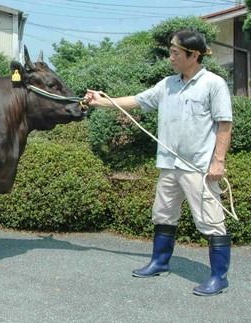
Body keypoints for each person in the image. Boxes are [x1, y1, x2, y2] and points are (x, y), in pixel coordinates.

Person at [85, 29, 233, 296]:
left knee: (211, 221)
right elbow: (137, 101)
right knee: (163, 214)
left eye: (176, 53)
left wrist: (218, 161)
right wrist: (101, 102)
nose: (171, 57)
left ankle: (218, 278)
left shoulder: (214, 84)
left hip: (199, 166)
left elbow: (225, 124)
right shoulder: (167, 84)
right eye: (171, 52)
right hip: (168, 164)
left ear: (194, 55)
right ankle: (159, 262)